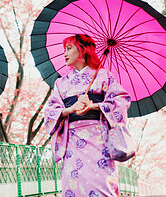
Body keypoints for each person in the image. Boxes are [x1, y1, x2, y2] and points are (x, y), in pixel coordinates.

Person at [44, 34, 131, 197]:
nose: (65, 53)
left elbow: (121, 101)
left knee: (103, 187)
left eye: (69, 48)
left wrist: (94, 105)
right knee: (74, 187)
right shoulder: (61, 83)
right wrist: (69, 109)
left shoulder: (105, 76)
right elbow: (50, 111)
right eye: (64, 50)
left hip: (99, 141)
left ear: (82, 50)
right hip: (73, 143)